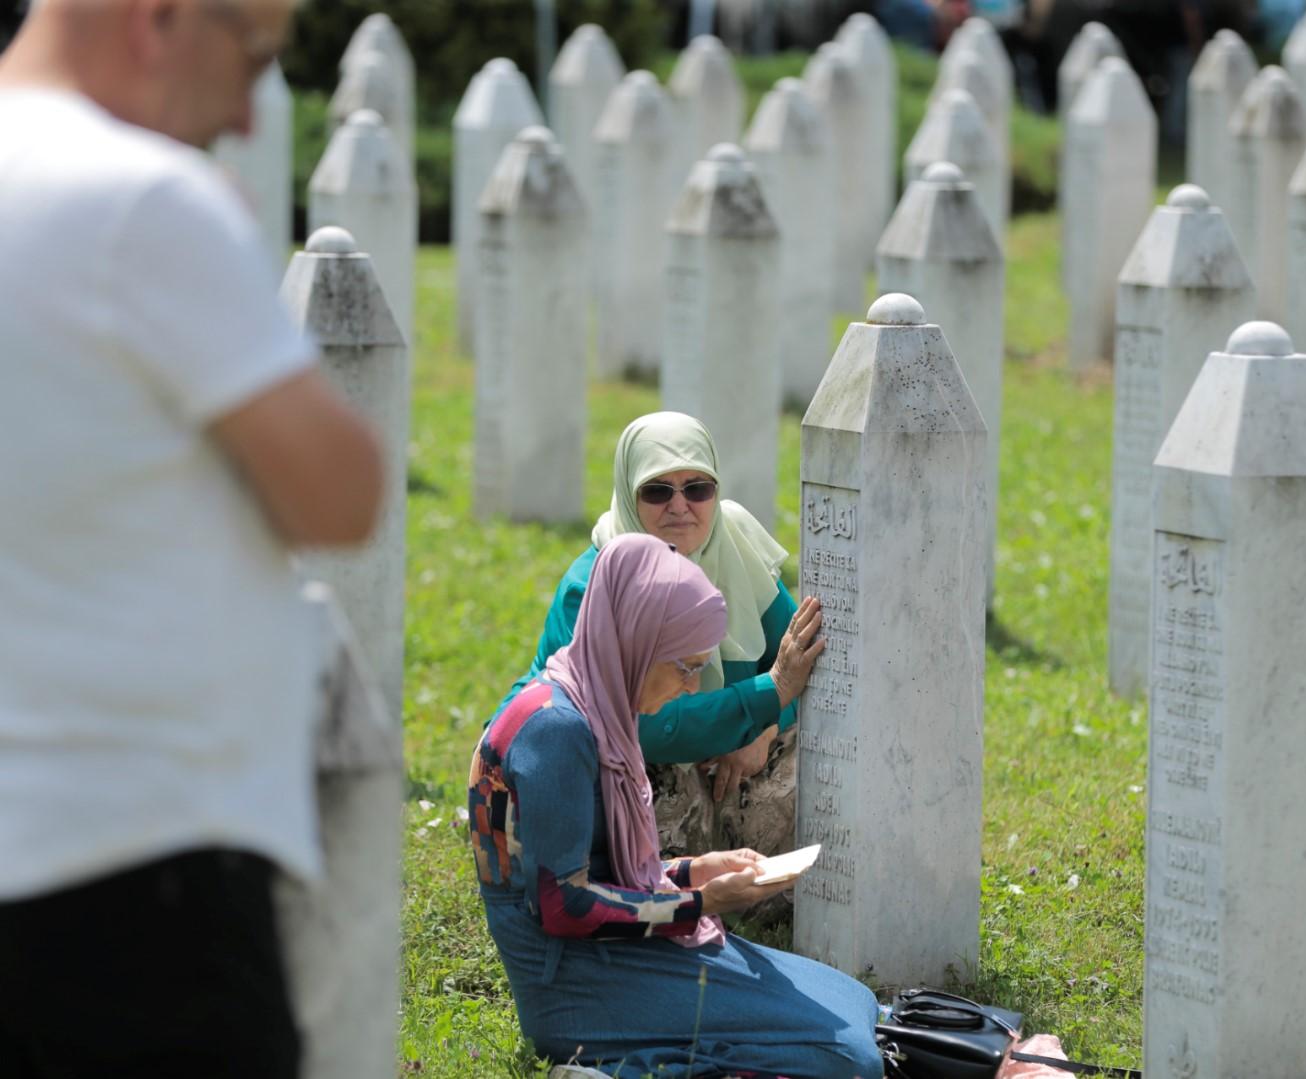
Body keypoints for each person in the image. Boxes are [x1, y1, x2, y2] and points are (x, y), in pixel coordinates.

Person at [0, 2, 383, 1076]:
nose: (248, 120)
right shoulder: (140, 201)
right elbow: (341, 493)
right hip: (137, 872)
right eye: (253, 58)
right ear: (159, 15)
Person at [472, 533, 883, 1077]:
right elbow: (561, 905)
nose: (692, 687)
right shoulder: (556, 732)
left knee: (854, 1003)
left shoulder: (591, 703)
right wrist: (702, 903)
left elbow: (597, 866)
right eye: (684, 667)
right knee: (846, 1060)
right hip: (575, 984)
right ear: (634, 644)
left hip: (613, 950)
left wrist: (694, 871)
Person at [495, 412, 824, 860]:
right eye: (656, 490)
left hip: (721, 751)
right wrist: (765, 698)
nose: (679, 505)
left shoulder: (735, 543)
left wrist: (765, 726)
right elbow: (640, 726)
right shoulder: (595, 585)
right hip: (610, 766)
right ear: (629, 495)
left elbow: (802, 661)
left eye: (697, 488)